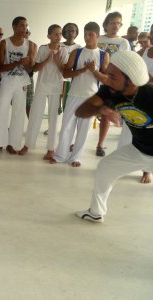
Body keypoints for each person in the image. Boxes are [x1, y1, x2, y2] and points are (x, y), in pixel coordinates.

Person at [74, 51, 151, 223]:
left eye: (112, 76)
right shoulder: (109, 90)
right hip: (138, 150)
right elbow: (80, 111)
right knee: (105, 168)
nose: (106, 79)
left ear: (130, 79)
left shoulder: (150, 94)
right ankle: (96, 212)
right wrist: (101, 109)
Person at [50, 22, 109, 167]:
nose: (87, 37)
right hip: (74, 94)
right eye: (85, 34)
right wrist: (83, 69)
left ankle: (75, 157)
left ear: (97, 35)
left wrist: (94, 71)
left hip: (92, 97)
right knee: (66, 126)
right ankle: (61, 155)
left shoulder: (103, 55)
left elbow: (106, 79)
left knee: (84, 129)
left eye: (91, 34)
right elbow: (66, 72)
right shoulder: (77, 52)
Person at [18, 24, 68, 160]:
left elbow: (65, 72)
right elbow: (35, 69)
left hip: (56, 87)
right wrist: (47, 60)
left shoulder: (64, 50)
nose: (59, 36)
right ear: (49, 36)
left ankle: (51, 149)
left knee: (53, 118)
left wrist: (57, 61)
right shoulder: (43, 48)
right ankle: (27, 145)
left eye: (60, 33)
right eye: (56, 34)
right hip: (41, 86)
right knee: (35, 115)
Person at [0, 16, 35, 154]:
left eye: (26, 25)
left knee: (18, 114)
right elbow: (0, 68)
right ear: (14, 27)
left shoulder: (31, 45)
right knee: (1, 111)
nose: (24, 28)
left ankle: (13, 144)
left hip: (21, 83)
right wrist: (18, 63)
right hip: (6, 82)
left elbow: (30, 71)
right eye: (21, 25)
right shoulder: (5, 43)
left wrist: (29, 64)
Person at [95, 11, 130, 157]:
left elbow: (126, 62)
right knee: (88, 109)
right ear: (106, 24)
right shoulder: (98, 39)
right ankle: (76, 142)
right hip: (94, 78)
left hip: (111, 82)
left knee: (106, 113)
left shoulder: (123, 42)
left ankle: (100, 145)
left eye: (119, 23)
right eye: (113, 22)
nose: (116, 25)